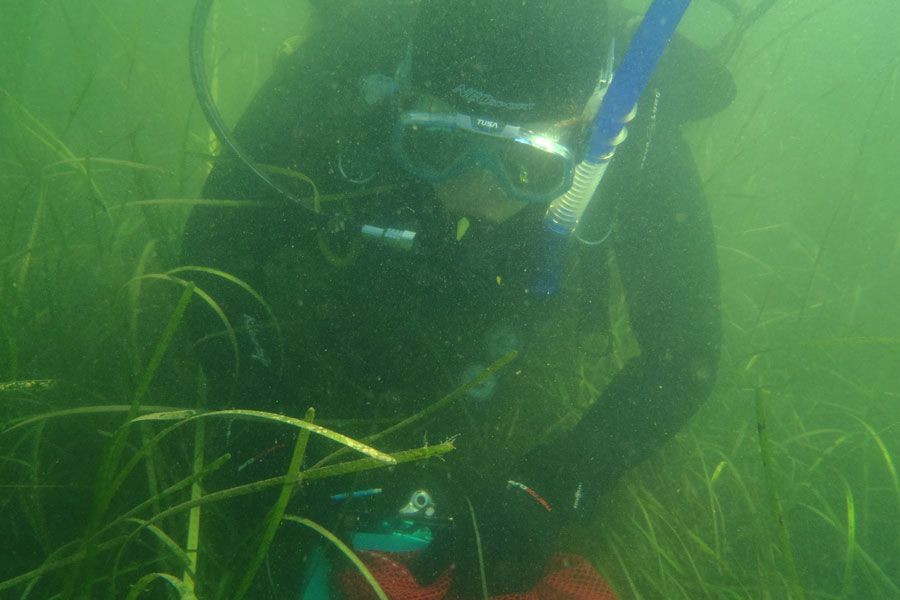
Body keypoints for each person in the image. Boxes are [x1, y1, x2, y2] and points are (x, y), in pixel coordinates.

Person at [181, 0, 734, 597]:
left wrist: (553, 483)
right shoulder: (350, 63)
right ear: (399, 92)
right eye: (436, 145)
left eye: (528, 164)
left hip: (518, 327)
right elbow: (211, 252)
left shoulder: (632, 128)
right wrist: (261, 434)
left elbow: (683, 354)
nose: (477, 195)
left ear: (591, 130)